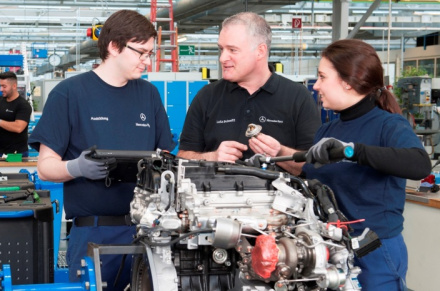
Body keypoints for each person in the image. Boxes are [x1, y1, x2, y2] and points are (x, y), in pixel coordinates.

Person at [28, 10, 175, 291]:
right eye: (141, 52)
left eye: (150, 53)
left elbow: (164, 157)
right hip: (92, 233)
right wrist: (76, 168)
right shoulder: (69, 93)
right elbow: (45, 166)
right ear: (114, 46)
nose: (147, 60)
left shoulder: (149, 94)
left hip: (146, 231)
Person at [302, 39, 430, 290]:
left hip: (375, 253)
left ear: (348, 82)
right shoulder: (327, 129)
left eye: (322, 77)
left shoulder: (388, 125)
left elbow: (420, 164)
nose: (316, 86)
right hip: (331, 248)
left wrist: (351, 151)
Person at [177, 12, 320, 175]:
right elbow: (182, 158)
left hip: (281, 199)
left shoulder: (298, 97)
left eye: (232, 50)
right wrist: (212, 157)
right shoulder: (206, 97)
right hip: (216, 198)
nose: (222, 58)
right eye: (221, 49)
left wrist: (279, 153)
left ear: (260, 51)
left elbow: (314, 166)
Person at [0, 71, 32, 157]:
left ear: (14, 86)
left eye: (4, 86)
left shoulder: (23, 105)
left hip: (17, 153)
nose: (1, 89)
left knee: (13, 171)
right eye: (0, 86)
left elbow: (18, 127)